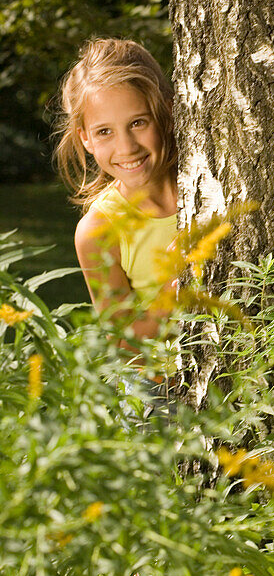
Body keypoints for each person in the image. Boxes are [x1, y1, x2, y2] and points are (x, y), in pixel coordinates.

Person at [54, 37, 178, 345]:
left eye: (138, 123)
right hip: (156, 388)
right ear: (85, 139)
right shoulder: (99, 230)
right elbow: (122, 342)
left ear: (167, 111)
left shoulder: (211, 183)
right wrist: (173, 295)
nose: (126, 147)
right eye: (104, 132)